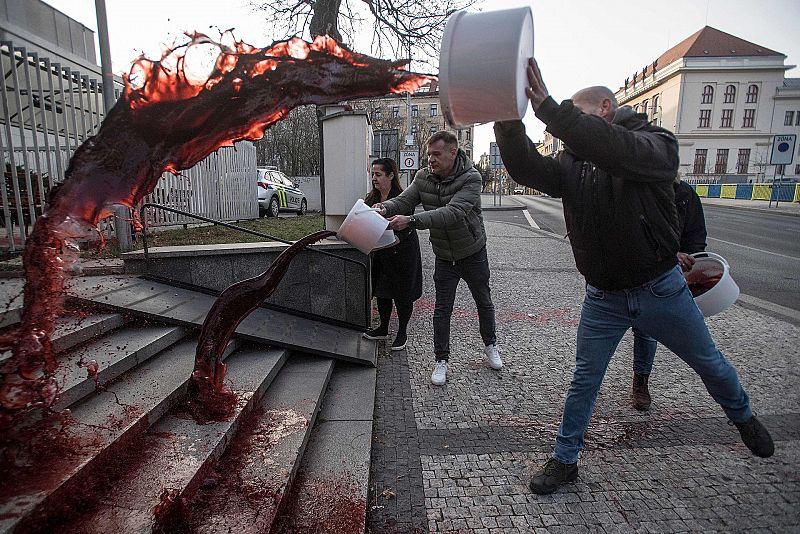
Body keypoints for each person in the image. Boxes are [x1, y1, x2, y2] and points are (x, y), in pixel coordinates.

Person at [494, 59, 774, 495]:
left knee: (710, 363)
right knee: (584, 380)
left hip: (661, 289)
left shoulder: (655, 143)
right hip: (603, 296)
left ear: (606, 108)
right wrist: (508, 118)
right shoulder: (573, 163)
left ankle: (743, 416)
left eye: (577, 112)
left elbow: (615, 150)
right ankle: (566, 459)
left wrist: (549, 108)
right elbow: (528, 169)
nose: (570, 125)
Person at [374, 131, 502, 385]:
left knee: (483, 302)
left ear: (453, 153)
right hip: (444, 255)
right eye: (429, 154)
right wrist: (385, 207)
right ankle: (441, 360)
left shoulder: (471, 179)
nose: (430, 159)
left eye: (436, 154)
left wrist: (410, 221)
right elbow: (405, 199)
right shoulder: (423, 177)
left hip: (473, 252)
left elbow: (452, 212)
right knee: (442, 309)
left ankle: (491, 345)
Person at [631, 178, 708, 411]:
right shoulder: (634, 188)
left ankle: (640, 383)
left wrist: (687, 255)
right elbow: (629, 234)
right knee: (600, 338)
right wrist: (669, 254)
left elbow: (696, 236)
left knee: (646, 331)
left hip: (661, 278)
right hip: (627, 272)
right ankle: (590, 387)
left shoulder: (685, 194)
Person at [362, 158, 423, 350]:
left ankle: (402, 332)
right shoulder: (371, 199)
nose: (374, 178)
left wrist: (389, 240)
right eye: (372, 174)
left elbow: (406, 228)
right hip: (381, 254)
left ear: (391, 175)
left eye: (378, 174)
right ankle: (383, 328)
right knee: (382, 291)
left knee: (403, 294)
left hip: (403, 253)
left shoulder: (402, 197)